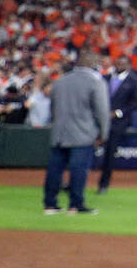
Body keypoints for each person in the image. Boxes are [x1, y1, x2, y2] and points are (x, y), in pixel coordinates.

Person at [43, 52, 109, 215]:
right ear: (92, 64)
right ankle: (75, 205)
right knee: (79, 169)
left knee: (54, 169)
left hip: (60, 132)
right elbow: (102, 111)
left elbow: (53, 108)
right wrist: (103, 133)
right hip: (83, 133)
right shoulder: (95, 81)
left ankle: (50, 205)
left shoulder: (60, 81)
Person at [98, 54, 137, 194]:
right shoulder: (105, 78)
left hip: (119, 122)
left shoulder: (134, 81)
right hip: (99, 120)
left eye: (122, 63)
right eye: (117, 63)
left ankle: (104, 184)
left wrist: (118, 113)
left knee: (110, 153)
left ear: (129, 65)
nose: (119, 66)